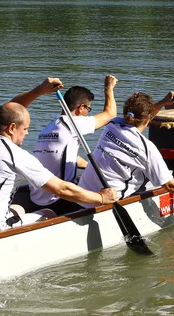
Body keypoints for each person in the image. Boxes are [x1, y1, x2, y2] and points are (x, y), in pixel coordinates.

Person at [0, 102, 118, 238]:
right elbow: (62, 189)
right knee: (48, 212)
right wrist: (101, 198)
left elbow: (8, 110)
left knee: (19, 207)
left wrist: (40, 90)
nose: (28, 133)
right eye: (25, 129)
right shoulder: (15, 154)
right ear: (11, 128)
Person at [78, 92, 174, 206]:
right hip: (104, 201)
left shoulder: (113, 124)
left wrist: (162, 102)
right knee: (158, 172)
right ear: (148, 119)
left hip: (82, 194)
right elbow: (171, 186)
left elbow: (142, 116)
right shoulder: (147, 148)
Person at [29, 76, 118, 215]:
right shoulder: (73, 123)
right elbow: (110, 114)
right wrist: (109, 87)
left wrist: (90, 166)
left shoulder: (48, 128)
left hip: (36, 199)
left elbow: (65, 157)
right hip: (59, 201)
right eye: (88, 108)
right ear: (81, 107)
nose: (88, 113)